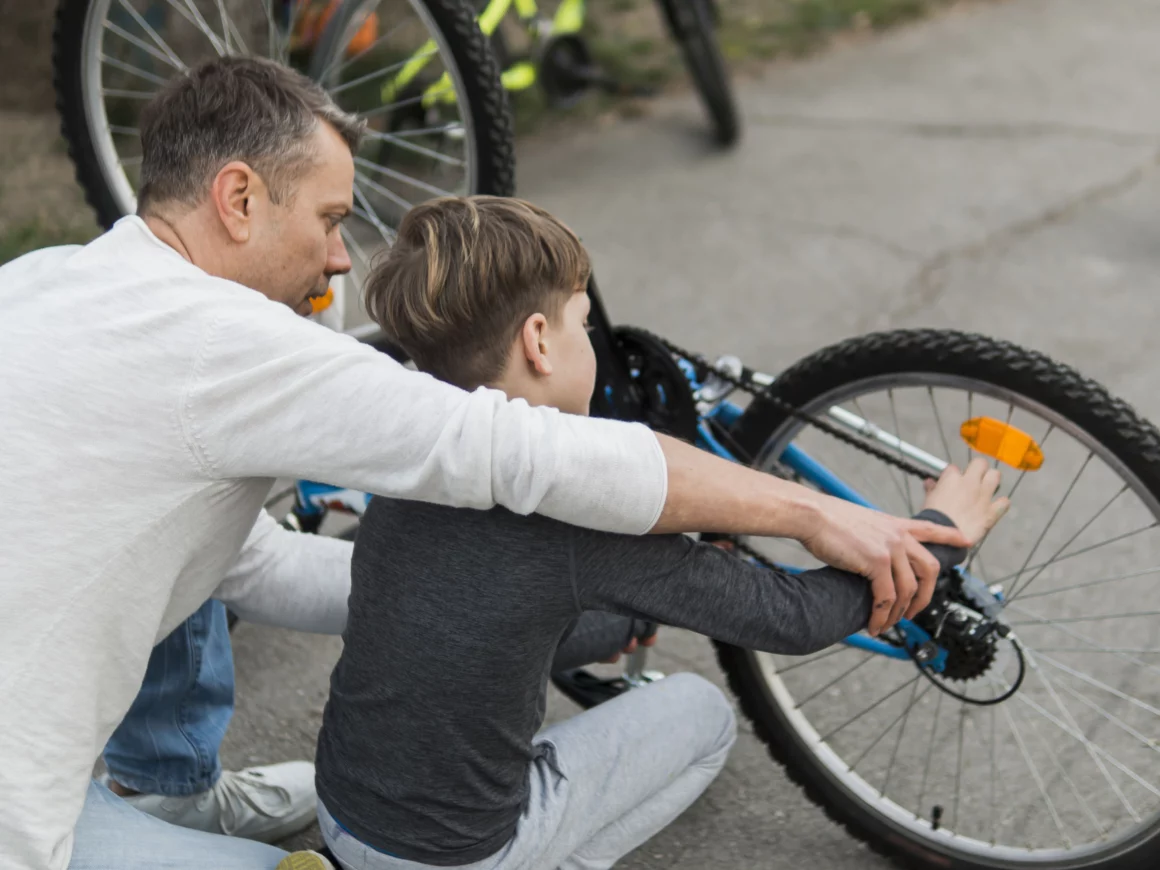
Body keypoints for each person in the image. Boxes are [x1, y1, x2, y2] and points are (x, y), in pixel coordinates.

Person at [0, 56, 969, 870]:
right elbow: (514, 452)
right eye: (332, 218)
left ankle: (169, 800)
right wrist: (807, 515)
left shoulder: (46, 281)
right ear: (240, 198)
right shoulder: (224, 346)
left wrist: (430, 592)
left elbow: (235, 559)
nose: (341, 261)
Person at [312, 196, 1010, 870]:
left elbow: (494, 617)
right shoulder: (578, 511)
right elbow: (794, 618)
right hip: (460, 855)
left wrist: (623, 619)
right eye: (582, 326)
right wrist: (941, 536)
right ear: (538, 342)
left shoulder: (408, 461)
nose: (589, 340)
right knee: (701, 712)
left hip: (342, 817)